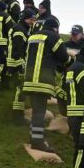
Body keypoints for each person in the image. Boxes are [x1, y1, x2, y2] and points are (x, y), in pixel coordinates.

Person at [22, 17, 69, 152]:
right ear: (56, 28)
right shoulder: (53, 37)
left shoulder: (33, 36)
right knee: (40, 112)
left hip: (29, 78)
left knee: (36, 109)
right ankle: (38, 142)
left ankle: (34, 138)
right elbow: (63, 57)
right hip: (42, 80)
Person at [9, 9, 36, 122]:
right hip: (16, 63)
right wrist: (21, 65)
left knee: (19, 89)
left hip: (16, 62)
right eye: (31, 19)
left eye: (34, 20)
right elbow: (17, 48)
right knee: (19, 89)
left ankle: (18, 114)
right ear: (25, 18)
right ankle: (17, 116)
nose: (32, 22)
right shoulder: (20, 30)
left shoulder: (22, 28)